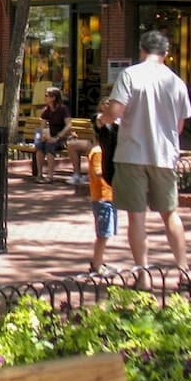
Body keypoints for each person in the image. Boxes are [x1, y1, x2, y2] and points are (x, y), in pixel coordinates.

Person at [101, 30, 191, 291]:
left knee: (137, 217)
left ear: (142, 50)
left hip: (132, 154)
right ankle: (184, 270)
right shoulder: (176, 82)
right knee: (170, 214)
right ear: (166, 54)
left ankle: (143, 275)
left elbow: (116, 111)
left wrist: (102, 119)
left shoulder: (130, 75)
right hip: (165, 155)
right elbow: (179, 127)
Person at [85, 106, 119, 275]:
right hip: (102, 198)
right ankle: (96, 264)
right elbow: (98, 172)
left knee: (106, 232)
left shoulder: (100, 151)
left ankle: (99, 262)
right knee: (103, 234)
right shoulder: (98, 152)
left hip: (109, 197)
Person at [33, 87, 71, 183]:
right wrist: (42, 135)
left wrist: (57, 137)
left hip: (62, 138)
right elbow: (42, 125)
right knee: (40, 146)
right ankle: (40, 174)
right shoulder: (46, 110)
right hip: (50, 136)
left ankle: (50, 176)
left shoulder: (63, 109)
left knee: (50, 145)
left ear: (53, 97)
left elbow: (69, 125)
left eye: (46, 95)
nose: (45, 97)